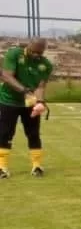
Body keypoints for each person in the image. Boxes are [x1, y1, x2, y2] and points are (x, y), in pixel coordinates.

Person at [0, 39, 52, 179]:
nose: (36, 55)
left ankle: (37, 166)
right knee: (5, 133)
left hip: (29, 103)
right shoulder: (14, 54)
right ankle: (2, 167)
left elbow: (40, 87)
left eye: (40, 53)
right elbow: (6, 76)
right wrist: (25, 91)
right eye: (34, 51)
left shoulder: (46, 65)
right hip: (9, 100)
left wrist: (40, 102)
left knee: (33, 134)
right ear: (29, 46)